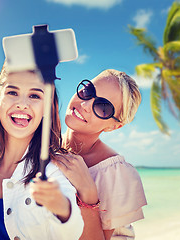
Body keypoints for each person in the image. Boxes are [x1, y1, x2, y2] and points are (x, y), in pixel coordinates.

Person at [0, 65, 84, 240]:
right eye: (12, 92)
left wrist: (62, 208)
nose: (22, 104)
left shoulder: (54, 170)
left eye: (34, 95)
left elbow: (71, 233)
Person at [53, 69, 147, 239]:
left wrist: (88, 194)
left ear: (113, 126)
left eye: (103, 107)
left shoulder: (115, 174)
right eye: (88, 91)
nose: (85, 104)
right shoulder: (45, 144)